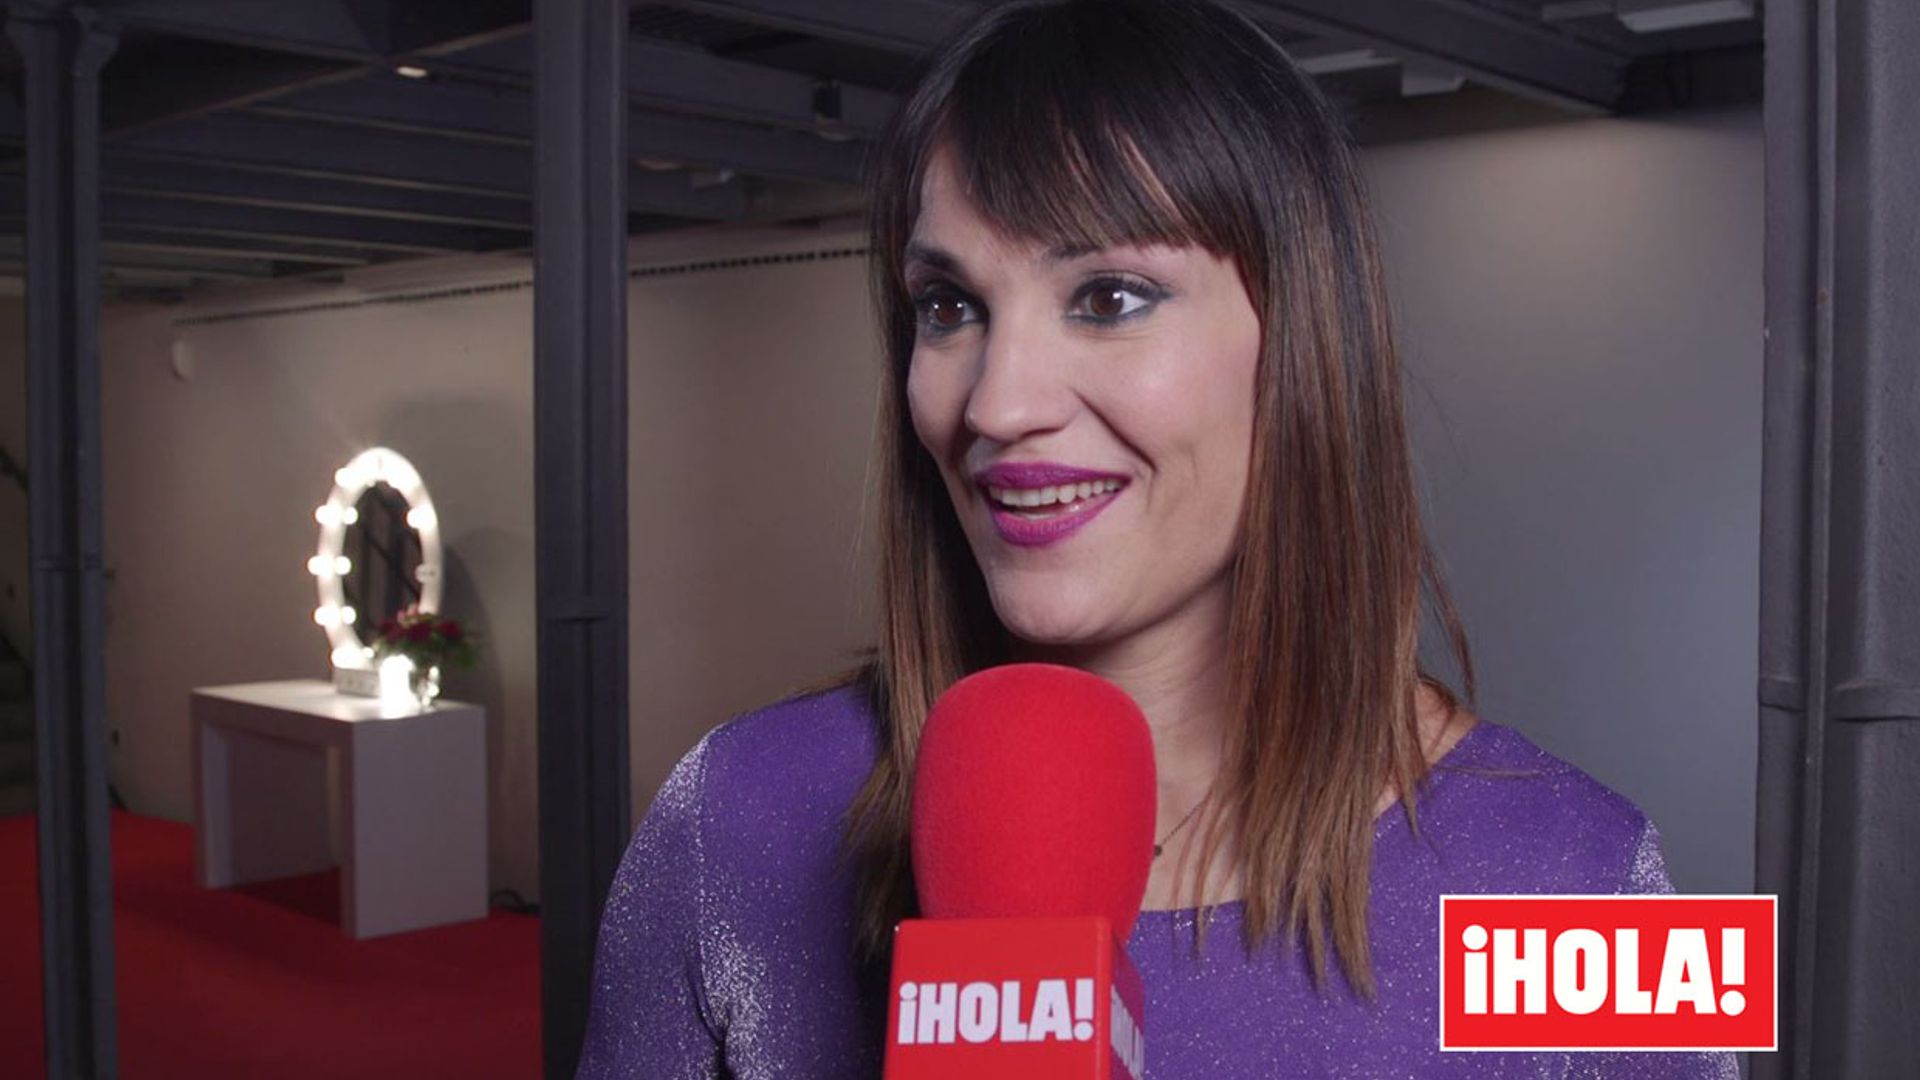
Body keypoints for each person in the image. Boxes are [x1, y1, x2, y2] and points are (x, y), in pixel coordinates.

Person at [577, 1, 1738, 1076]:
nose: (998, 403)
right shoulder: (735, 816)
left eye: (1110, 297)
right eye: (951, 306)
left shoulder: (1588, 884)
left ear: (1304, 344)